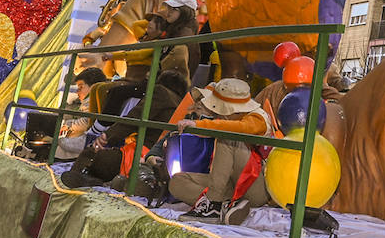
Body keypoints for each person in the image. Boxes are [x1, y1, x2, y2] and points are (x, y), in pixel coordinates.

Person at [169, 78, 274, 223]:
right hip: (231, 185)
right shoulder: (227, 121)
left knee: (227, 137)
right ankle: (227, 206)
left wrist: (198, 124)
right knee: (177, 181)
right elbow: (216, 127)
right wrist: (195, 121)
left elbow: (238, 128)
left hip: (255, 188)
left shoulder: (258, 118)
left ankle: (214, 203)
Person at [62, 69, 188, 189]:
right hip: (158, 156)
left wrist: (107, 135)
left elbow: (135, 118)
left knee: (95, 153)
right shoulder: (181, 104)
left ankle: (79, 174)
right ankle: (88, 177)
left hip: (142, 153)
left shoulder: (161, 92)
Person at [55, 67, 109, 160]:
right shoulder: (87, 102)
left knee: (59, 147)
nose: (77, 91)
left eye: (81, 87)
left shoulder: (93, 102)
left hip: (88, 142)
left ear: (94, 87)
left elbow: (87, 121)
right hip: (82, 139)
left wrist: (69, 125)